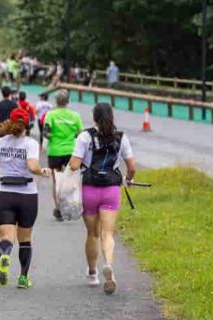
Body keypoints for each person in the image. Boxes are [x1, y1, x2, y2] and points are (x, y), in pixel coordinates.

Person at [68, 102, 136, 295]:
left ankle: (92, 274)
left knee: (92, 234)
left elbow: (74, 165)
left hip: (89, 188)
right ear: (112, 116)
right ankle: (109, 266)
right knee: (107, 234)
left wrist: (75, 164)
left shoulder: (85, 136)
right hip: (111, 189)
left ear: (94, 117)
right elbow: (131, 167)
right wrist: (128, 179)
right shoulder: (121, 138)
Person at [0, 109, 51, 289]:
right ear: (28, 125)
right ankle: (23, 278)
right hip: (27, 194)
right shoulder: (30, 143)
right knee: (25, 239)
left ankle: (5, 256)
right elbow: (32, 165)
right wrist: (42, 171)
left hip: (5, 193)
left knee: (6, 236)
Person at [43, 89, 83, 221]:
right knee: (71, 180)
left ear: (56, 101)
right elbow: (80, 134)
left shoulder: (51, 115)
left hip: (55, 152)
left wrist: (54, 136)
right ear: (68, 101)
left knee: (56, 181)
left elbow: (46, 133)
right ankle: (71, 207)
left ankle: (59, 209)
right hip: (71, 152)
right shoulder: (75, 116)